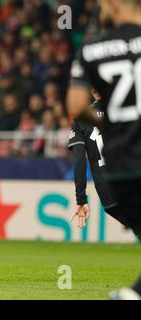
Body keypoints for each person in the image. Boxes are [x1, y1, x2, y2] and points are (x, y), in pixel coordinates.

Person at [67, 0, 141, 299]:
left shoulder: (92, 48)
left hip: (119, 171)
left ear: (113, 4)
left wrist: (107, 119)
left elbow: (76, 105)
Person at [68, 89, 129, 228]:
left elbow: (79, 161)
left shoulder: (80, 118)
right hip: (129, 183)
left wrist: (81, 199)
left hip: (106, 193)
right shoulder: (124, 112)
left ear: (91, 90)